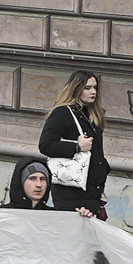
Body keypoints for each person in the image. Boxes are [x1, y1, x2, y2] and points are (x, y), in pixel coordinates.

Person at [37, 69, 109, 218]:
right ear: (76, 89)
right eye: (87, 88)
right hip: (71, 189)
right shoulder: (63, 113)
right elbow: (45, 145)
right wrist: (76, 147)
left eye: (95, 88)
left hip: (92, 189)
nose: (93, 92)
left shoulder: (93, 115)